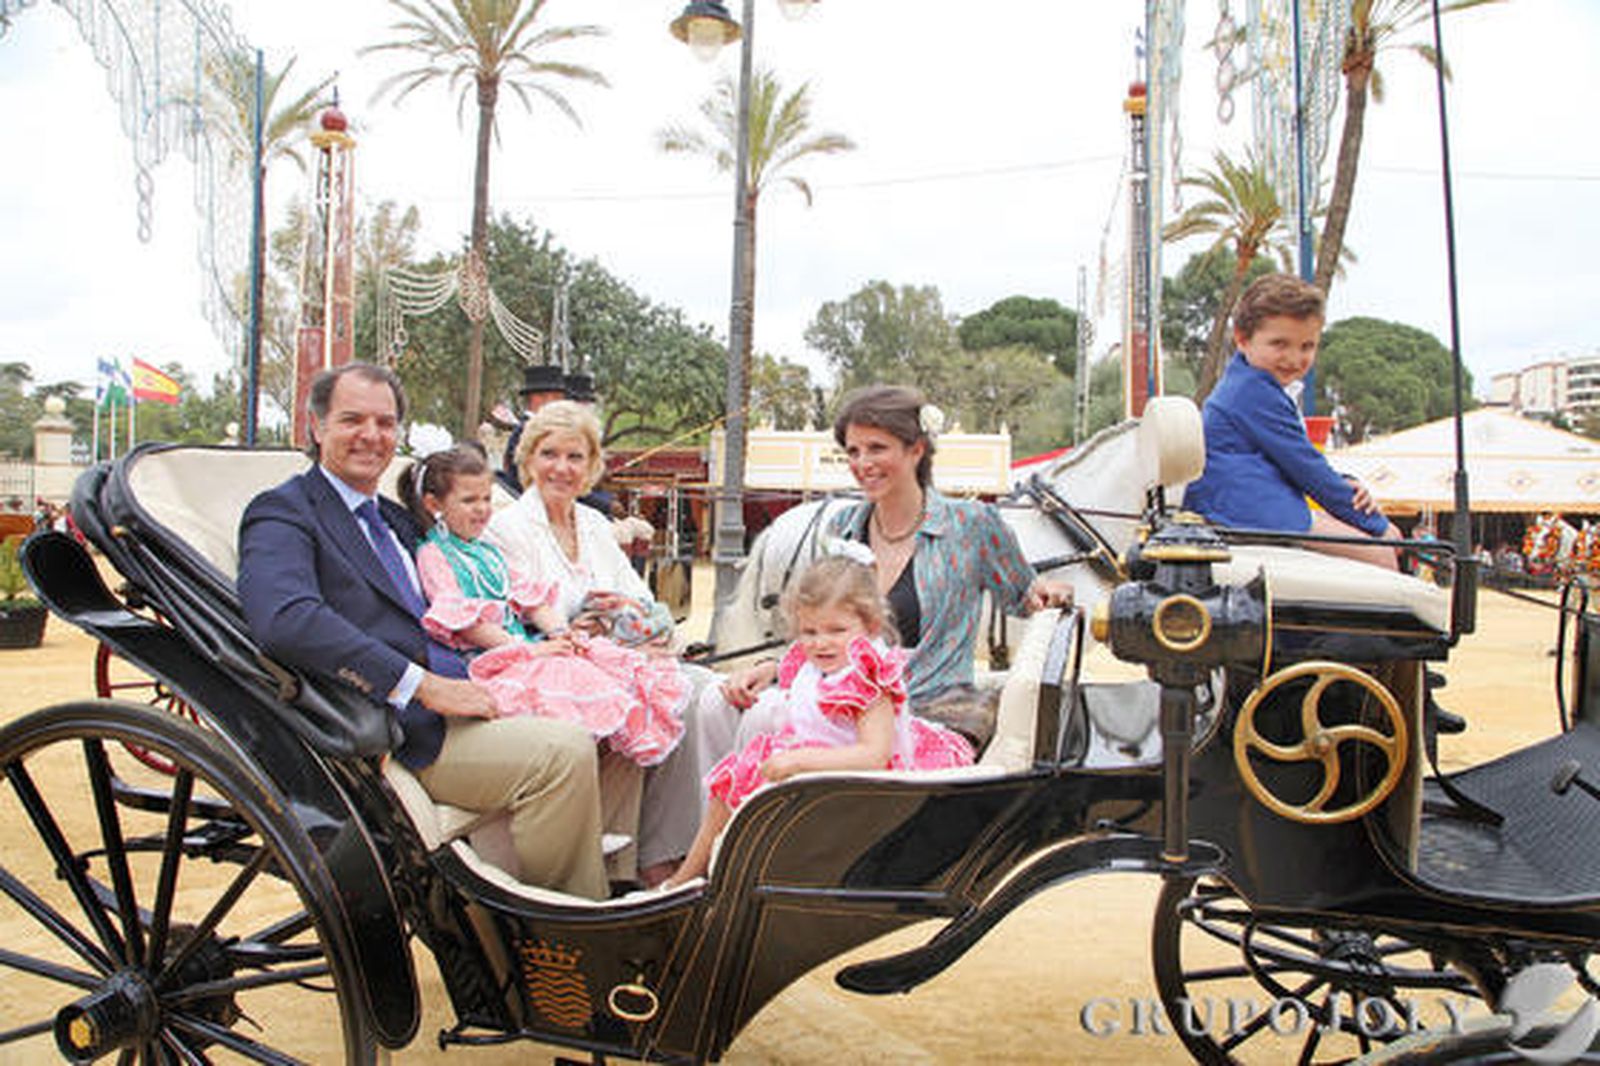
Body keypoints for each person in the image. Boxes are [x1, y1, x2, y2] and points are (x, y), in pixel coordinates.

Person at [238, 364, 622, 900]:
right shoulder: (284, 512)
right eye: (352, 420)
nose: (371, 435)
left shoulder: (394, 521)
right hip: (394, 726)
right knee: (563, 752)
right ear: (317, 426)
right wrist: (420, 684)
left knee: (612, 712)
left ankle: (627, 881)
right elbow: (286, 619)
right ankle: (564, 931)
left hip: (467, 692)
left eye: (384, 422)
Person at [721, 385, 1074, 748]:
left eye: (877, 448)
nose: (862, 464)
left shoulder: (973, 525)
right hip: (846, 706)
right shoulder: (841, 528)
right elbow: (824, 629)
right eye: (853, 451)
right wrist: (775, 669)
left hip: (933, 709)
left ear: (916, 450)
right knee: (743, 710)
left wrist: (1046, 591)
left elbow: (1024, 595)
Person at [485, 400, 726, 883]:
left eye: (575, 457)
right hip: (554, 670)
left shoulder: (594, 526)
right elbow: (529, 611)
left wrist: (623, 619)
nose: (561, 468)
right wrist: (597, 620)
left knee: (703, 691)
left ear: (591, 465)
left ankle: (669, 847)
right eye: (550, 454)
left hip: (617, 657)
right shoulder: (508, 528)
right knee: (641, 702)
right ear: (529, 459)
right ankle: (625, 866)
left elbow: (639, 601)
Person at [664, 556, 974, 888]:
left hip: (865, 780)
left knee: (749, 784)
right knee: (731, 784)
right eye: (809, 631)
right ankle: (692, 876)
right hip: (823, 763)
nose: (820, 642)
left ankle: (706, 877)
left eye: (836, 630)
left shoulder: (866, 676)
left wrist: (799, 760)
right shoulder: (814, 660)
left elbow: (875, 755)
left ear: (869, 626)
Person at [403, 442, 686, 767]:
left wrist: (562, 633)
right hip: (490, 658)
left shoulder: (488, 552)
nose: (482, 509)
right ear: (434, 505)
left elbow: (529, 598)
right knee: (571, 680)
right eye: (469, 501)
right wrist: (523, 648)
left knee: (601, 668)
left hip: (522, 649)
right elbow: (467, 622)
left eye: (486, 499)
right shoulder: (435, 555)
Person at [1182, 273, 1399, 570]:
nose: (1294, 358)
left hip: (1250, 503)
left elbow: (1298, 461)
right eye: (1279, 344)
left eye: (1307, 346)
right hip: (1249, 509)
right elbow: (1306, 469)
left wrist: (1349, 485)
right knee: (1383, 555)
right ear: (1242, 339)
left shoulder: (1248, 383)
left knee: (1362, 538)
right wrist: (1378, 525)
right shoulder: (1253, 392)